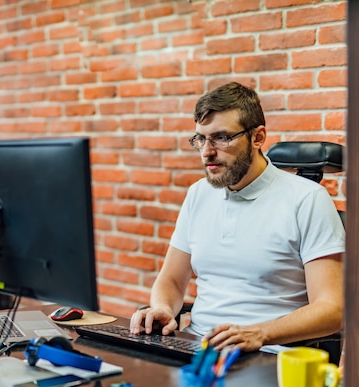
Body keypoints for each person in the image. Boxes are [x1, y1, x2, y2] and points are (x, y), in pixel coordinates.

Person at [129, 82, 344, 354]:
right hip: (196, 350)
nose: (207, 151)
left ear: (257, 137)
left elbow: (332, 309)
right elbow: (171, 280)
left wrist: (261, 333)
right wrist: (162, 308)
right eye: (201, 139)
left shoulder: (307, 200)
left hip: (268, 356)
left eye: (221, 137)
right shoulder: (199, 194)